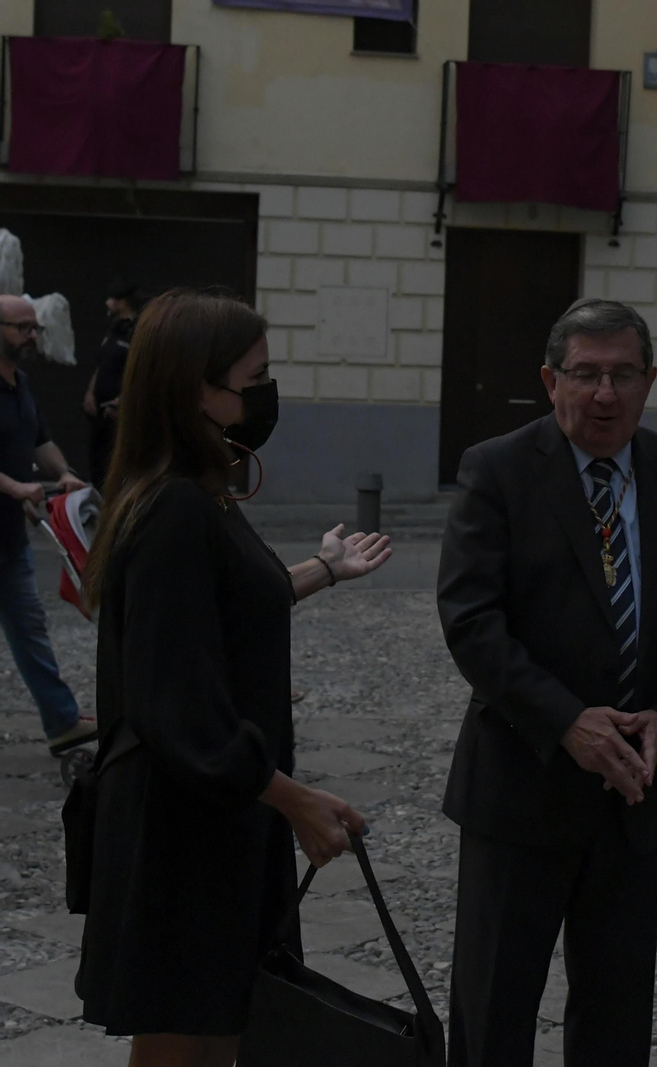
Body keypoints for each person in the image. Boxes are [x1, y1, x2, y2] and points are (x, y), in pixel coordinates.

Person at [76, 290, 393, 1067]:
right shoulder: (173, 508)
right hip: (182, 829)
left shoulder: (196, 490)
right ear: (198, 388)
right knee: (182, 1037)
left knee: (224, 1023)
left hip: (220, 815)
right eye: (255, 378)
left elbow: (227, 602)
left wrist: (324, 567)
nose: (265, 393)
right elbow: (176, 704)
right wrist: (294, 798)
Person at [437, 297, 657, 1067]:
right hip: (522, 787)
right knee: (494, 1011)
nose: (605, 394)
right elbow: (472, 621)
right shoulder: (498, 470)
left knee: (615, 1020)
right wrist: (568, 721)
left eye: (623, 374)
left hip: (634, 795)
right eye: (586, 374)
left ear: (649, 381)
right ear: (551, 380)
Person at [0, 295, 95, 755]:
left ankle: (62, 723)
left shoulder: (20, 384)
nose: (31, 336)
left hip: (8, 539)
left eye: (34, 328)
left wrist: (63, 473)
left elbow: (40, 440)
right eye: (21, 328)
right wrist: (16, 487)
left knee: (30, 630)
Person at [83, 278, 142, 487]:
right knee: (97, 463)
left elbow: (139, 372)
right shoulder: (114, 329)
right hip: (100, 413)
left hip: (119, 413)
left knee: (116, 465)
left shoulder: (136, 331)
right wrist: (90, 392)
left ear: (122, 302)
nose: (107, 303)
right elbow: (102, 364)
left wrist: (122, 401)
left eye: (111, 299)